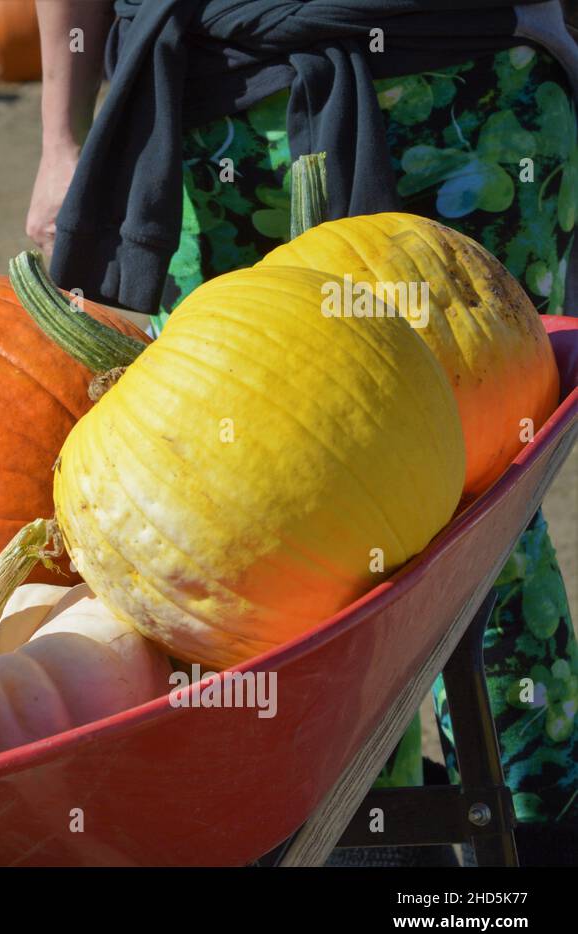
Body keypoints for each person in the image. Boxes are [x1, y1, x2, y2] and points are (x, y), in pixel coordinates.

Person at [29, 0, 578, 865]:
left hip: (464, 87)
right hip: (214, 116)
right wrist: (62, 137)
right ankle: (357, 840)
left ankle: (532, 838)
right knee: (250, 529)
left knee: (486, 511)